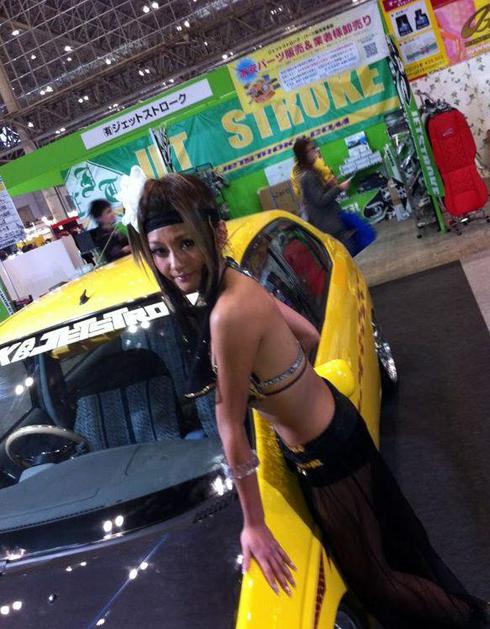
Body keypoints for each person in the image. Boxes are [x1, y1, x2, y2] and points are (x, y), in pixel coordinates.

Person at [129, 173, 488, 628]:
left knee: (377, 582)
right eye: (159, 250)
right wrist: (283, 385)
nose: (175, 263)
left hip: (326, 454)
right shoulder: (236, 279)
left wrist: (254, 525)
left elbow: (230, 429)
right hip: (335, 426)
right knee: (396, 559)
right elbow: (308, 334)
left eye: (186, 243)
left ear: (215, 233)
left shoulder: (227, 314)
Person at [88, 199, 131, 263]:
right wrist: (124, 250)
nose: (113, 213)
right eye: (108, 212)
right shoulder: (101, 239)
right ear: (99, 218)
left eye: (111, 210)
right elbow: (110, 258)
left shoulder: (120, 228)